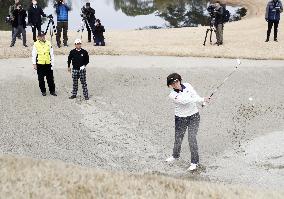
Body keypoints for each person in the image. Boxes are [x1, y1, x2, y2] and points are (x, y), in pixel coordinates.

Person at [165, 73, 210, 171]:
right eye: (172, 83)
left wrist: (202, 102)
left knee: (192, 138)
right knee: (178, 139)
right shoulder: (172, 95)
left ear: (179, 80)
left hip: (194, 116)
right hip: (180, 118)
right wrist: (202, 99)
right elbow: (186, 100)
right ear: (170, 85)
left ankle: (194, 162)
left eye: (176, 81)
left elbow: (194, 95)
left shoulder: (188, 85)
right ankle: (175, 156)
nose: (175, 84)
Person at [32, 32, 57, 96]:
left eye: (43, 36)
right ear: (38, 37)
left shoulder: (49, 43)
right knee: (41, 79)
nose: (42, 37)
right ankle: (43, 91)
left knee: (50, 79)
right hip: (40, 64)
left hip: (48, 64)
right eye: (41, 36)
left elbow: (51, 54)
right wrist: (34, 64)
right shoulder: (35, 44)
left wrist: (52, 64)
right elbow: (34, 55)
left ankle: (52, 91)